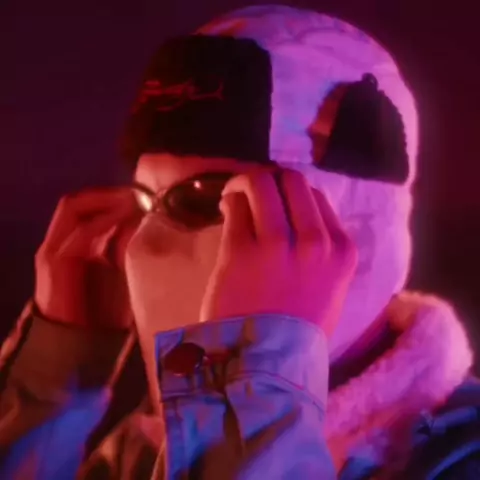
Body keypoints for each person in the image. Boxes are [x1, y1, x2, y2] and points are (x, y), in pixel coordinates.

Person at [0, 5, 479, 479]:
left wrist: (251, 384)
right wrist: (50, 382)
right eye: (146, 201)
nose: (148, 243)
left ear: (352, 222)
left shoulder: (458, 456)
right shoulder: (151, 446)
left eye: (202, 198)